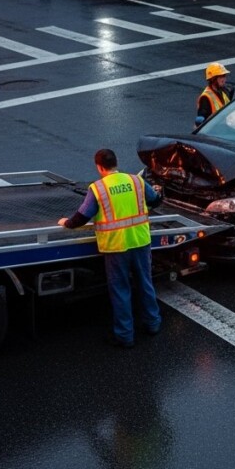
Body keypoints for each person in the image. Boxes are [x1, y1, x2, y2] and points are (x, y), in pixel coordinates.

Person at [58, 148, 163, 347]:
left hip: (116, 247)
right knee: (145, 284)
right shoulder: (136, 181)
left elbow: (82, 217)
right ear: (116, 162)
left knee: (121, 290)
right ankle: (153, 324)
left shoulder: (98, 188)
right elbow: (155, 200)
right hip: (140, 242)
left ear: (99, 167)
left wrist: (66, 223)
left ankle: (125, 336)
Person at [195, 62, 234, 131]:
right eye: (221, 76)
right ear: (213, 79)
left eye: (224, 76)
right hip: (214, 132)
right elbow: (199, 122)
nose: (224, 79)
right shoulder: (206, 97)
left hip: (227, 129)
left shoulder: (226, 90)